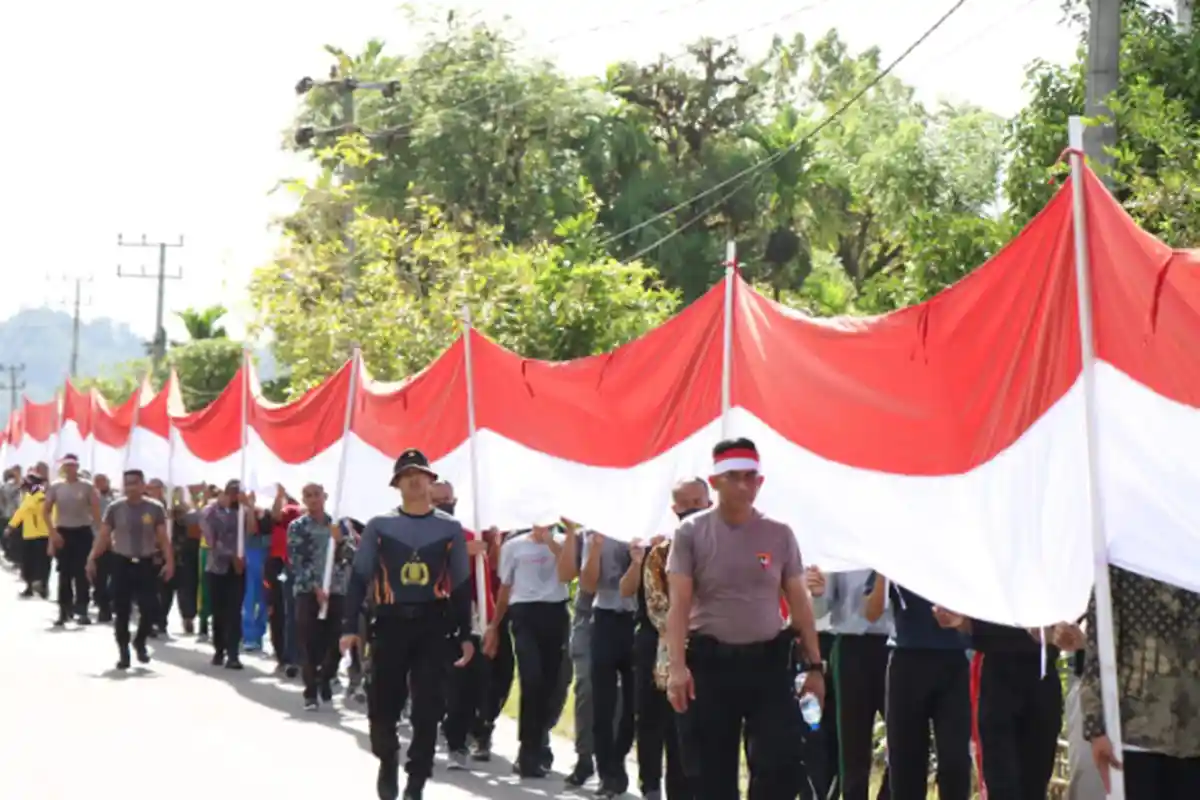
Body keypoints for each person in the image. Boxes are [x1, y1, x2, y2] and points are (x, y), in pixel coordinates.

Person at [666, 438, 825, 800]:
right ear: (715, 482)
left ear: (760, 481)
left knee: (779, 765)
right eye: (733, 477)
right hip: (711, 665)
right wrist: (676, 668)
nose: (743, 485)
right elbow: (679, 605)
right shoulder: (690, 533)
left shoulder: (779, 534)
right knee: (712, 774)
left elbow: (800, 602)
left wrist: (815, 667)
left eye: (750, 477)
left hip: (768, 664)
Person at [339, 449, 475, 800]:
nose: (414, 480)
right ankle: (387, 760)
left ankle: (416, 780)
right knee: (382, 706)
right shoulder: (379, 526)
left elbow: (461, 584)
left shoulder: (449, 529)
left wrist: (466, 633)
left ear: (431, 481)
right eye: (407, 475)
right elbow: (359, 577)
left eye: (420, 474)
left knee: (428, 708)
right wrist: (349, 626)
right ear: (397, 483)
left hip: (433, 624)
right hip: (389, 623)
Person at [1081, 567, 1200, 798]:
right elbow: (1100, 648)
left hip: (1191, 738)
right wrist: (1096, 726)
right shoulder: (1123, 559)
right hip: (1134, 735)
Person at [931, 608, 1063, 800]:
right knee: (1001, 784)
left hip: (1042, 671)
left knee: (1035, 784)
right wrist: (960, 622)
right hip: (996, 670)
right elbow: (970, 619)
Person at [864, 573, 971, 800]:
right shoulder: (898, 555)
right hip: (907, 659)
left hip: (953, 661)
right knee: (905, 762)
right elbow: (871, 613)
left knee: (955, 761)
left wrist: (961, 620)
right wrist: (884, 572)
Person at [483, 519, 572, 778]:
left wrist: (551, 542)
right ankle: (528, 751)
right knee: (531, 679)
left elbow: (568, 574)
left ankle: (540, 741)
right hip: (524, 613)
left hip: (555, 612)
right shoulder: (513, 546)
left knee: (552, 683)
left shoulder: (565, 542)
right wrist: (494, 625)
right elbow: (505, 588)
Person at [639, 477, 709, 800]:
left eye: (699, 503)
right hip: (676, 658)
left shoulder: (726, 548)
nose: (693, 509)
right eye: (686, 504)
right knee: (678, 740)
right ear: (674, 508)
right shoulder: (660, 554)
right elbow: (657, 608)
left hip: (720, 658)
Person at [809, 567, 892, 800]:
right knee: (852, 749)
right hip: (851, 646)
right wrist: (817, 594)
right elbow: (820, 611)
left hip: (899, 647)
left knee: (907, 741)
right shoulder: (843, 550)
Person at [85, 469, 173, 669]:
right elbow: (104, 535)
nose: (130, 487)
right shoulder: (115, 508)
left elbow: (163, 538)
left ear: (143, 485)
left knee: (149, 608)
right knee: (121, 610)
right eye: (127, 483)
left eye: (134, 483)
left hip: (146, 563)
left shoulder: (155, 508)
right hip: (121, 562)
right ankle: (123, 652)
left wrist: (170, 562)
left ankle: (140, 641)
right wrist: (92, 558)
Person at [580, 528, 639, 798]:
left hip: (638, 621)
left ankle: (619, 758)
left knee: (633, 703)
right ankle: (606, 771)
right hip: (605, 617)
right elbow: (587, 585)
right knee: (602, 701)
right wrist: (595, 548)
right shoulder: (596, 529)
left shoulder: (647, 528)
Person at [287, 482, 349, 710]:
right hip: (308, 591)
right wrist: (315, 587)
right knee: (308, 641)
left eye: (317, 495)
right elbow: (296, 560)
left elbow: (349, 555)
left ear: (325, 497)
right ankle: (311, 691)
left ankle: (327, 676)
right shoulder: (298, 526)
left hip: (336, 590)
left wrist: (341, 541)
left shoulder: (338, 525)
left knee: (336, 639)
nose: (313, 499)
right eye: (308, 495)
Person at [558, 523, 599, 787]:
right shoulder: (586, 534)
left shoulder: (639, 531)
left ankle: (611, 761)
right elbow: (566, 575)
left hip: (627, 619)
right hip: (587, 617)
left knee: (620, 697)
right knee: (586, 686)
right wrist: (572, 534)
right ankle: (585, 757)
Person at [201, 480, 256, 670]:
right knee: (219, 611)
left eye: (237, 492)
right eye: (231, 492)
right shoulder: (211, 511)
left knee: (234, 611)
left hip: (238, 569)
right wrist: (232, 556)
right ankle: (219, 649)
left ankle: (233, 653)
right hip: (217, 567)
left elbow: (251, 531)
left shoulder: (242, 511)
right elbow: (211, 540)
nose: (234, 496)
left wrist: (249, 507)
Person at [44, 453, 101, 626]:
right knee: (64, 573)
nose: (69, 469)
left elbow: (95, 511)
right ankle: (64, 610)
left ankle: (82, 610)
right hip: (63, 533)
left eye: (72, 466)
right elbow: (45, 511)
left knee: (82, 573)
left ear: (77, 467)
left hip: (82, 532)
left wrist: (100, 534)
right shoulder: (56, 486)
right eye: (66, 466)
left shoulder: (87, 486)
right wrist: (53, 533)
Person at [267, 484, 302, 676]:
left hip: (318, 573)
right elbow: (276, 516)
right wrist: (279, 496)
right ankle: (290, 659)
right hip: (290, 569)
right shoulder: (292, 511)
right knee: (290, 615)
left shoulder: (328, 516)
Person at [6, 471, 50, 599]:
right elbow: (21, 512)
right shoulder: (28, 497)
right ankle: (29, 586)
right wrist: (11, 526)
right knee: (27, 562)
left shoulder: (43, 497)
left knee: (43, 562)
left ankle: (43, 586)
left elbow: (51, 513)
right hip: (29, 534)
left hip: (42, 534)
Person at [91, 473, 118, 623]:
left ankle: (113, 602)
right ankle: (103, 608)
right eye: (97, 482)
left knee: (117, 577)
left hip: (116, 543)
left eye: (103, 481)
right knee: (99, 578)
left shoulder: (117, 498)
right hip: (98, 542)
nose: (101, 484)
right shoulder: (92, 498)